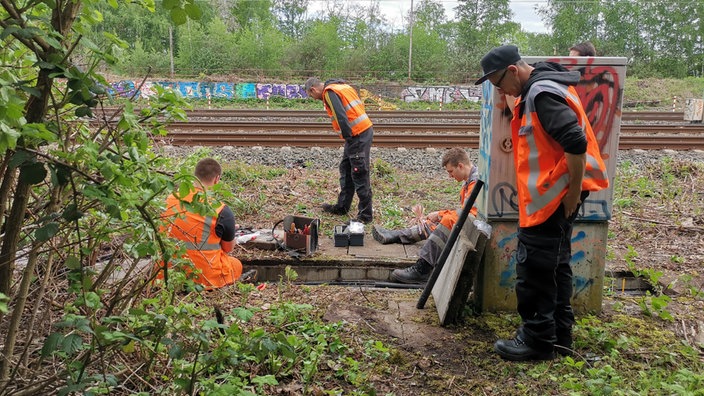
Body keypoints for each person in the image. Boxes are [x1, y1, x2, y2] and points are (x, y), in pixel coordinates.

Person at [475, 45, 609, 361]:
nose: (499, 91)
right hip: (556, 196)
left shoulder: (541, 95)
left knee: (534, 269)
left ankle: (537, 342)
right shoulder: (545, 86)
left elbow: (574, 142)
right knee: (555, 267)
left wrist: (573, 194)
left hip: (554, 198)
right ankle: (559, 337)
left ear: (513, 71)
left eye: (498, 84)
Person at [383, 148, 479, 284]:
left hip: (473, 229)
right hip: (471, 225)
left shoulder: (475, 182)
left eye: (451, 172)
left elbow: (468, 215)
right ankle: (399, 235)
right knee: (438, 222)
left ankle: (423, 268)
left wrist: (440, 215)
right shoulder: (469, 181)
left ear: (461, 166)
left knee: (447, 221)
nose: (450, 176)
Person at [158, 158, 246, 289]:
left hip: (166, 272)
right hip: (203, 276)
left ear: (195, 177)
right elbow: (228, 248)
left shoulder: (170, 199)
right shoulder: (220, 210)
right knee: (236, 265)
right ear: (217, 179)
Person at [304, 77, 374, 224]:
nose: (313, 98)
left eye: (311, 95)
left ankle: (365, 215)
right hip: (361, 131)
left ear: (313, 89)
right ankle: (342, 206)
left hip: (357, 135)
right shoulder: (341, 86)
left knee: (358, 171)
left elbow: (341, 117)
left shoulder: (329, 93)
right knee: (346, 168)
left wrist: (348, 137)